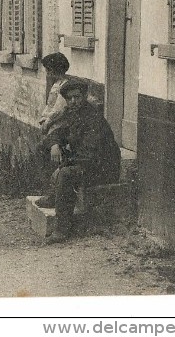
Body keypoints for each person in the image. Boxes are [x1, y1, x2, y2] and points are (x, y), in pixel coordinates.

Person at [37, 79, 121, 243]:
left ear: (84, 97)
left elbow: (89, 155)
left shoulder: (93, 118)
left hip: (103, 168)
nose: (73, 102)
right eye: (69, 99)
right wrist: (54, 144)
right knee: (43, 148)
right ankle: (52, 194)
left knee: (66, 173)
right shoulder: (72, 114)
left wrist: (62, 165)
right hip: (87, 163)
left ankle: (61, 230)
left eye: (77, 97)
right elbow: (60, 133)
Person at [38, 51, 71, 130]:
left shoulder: (64, 86)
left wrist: (47, 122)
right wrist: (43, 118)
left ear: (54, 70)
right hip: (51, 123)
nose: (48, 74)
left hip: (58, 125)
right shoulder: (56, 84)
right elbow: (49, 105)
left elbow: (59, 109)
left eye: (48, 71)